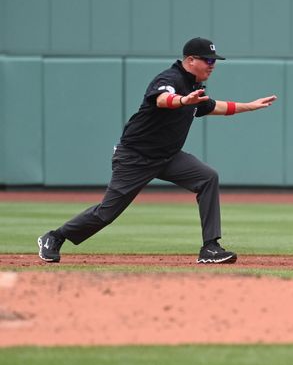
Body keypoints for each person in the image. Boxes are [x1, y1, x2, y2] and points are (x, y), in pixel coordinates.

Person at [37, 37, 278, 264]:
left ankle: (210, 248)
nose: (212, 65)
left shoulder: (195, 86)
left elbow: (216, 107)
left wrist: (251, 106)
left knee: (207, 177)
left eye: (214, 61)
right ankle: (55, 237)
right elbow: (163, 99)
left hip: (168, 157)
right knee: (106, 213)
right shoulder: (171, 78)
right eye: (209, 60)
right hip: (135, 157)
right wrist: (184, 101)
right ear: (190, 60)